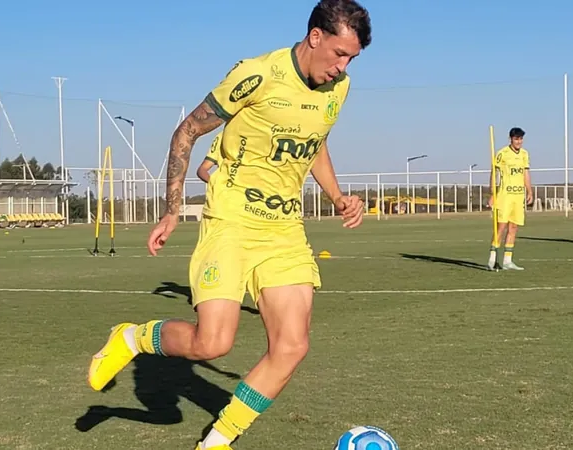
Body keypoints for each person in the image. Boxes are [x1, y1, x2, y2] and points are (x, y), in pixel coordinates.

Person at [87, 1, 371, 449]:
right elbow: (186, 132)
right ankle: (132, 337)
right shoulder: (256, 75)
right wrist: (171, 209)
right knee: (211, 344)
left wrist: (337, 196)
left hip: (284, 230)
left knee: (292, 346)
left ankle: (218, 440)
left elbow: (315, 142)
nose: (343, 67)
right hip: (232, 222)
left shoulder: (339, 88)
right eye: (339, 53)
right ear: (315, 36)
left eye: (351, 59)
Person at [487, 127, 533, 271]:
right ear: (511, 139)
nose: (518, 141)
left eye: (520, 139)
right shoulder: (502, 154)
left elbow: (525, 173)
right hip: (505, 196)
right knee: (501, 226)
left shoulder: (525, 154)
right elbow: (494, 173)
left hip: (518, 197)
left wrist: (529, 190)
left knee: (514, 227)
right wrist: (493, 194)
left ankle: (508, 260)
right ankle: (492, 259)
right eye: (516, 139)